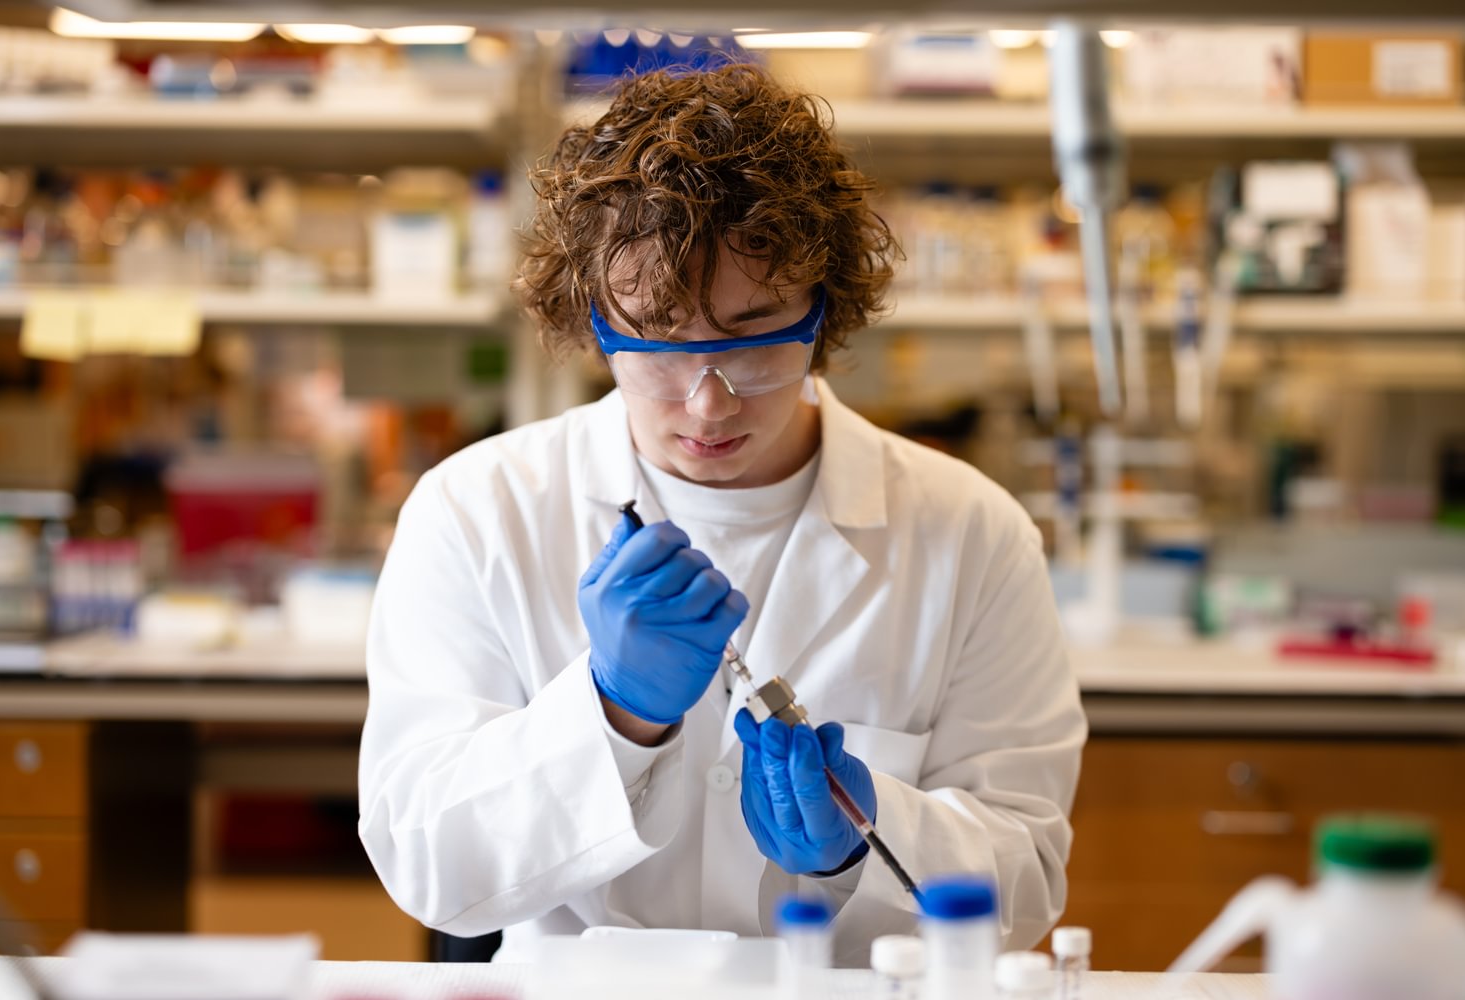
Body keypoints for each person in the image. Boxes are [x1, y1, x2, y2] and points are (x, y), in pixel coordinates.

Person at [358, 62, 1086, 968]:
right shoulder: (477, 511)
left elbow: (1025, 880)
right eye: (659, 337)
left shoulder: (972, 533)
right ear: (593, 319)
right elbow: (429, 868)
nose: (708, 403)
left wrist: (866, 837)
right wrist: (613, 716)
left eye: (756, 333)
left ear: (824, 311)